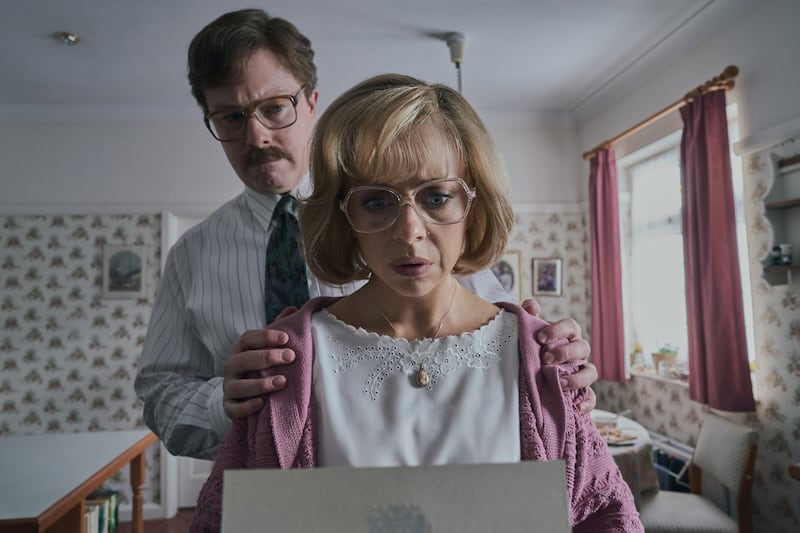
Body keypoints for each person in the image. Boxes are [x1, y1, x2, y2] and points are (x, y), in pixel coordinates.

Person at [134, 8, 597, 461]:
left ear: (311, 101)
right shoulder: (190, 255)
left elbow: (489, 337)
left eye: (275, 108)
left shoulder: (415, 228)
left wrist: (552, 366)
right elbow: (160, 392)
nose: (256, 136)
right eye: (231, 118)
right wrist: (223, 406)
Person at [190, 73, 642, 532]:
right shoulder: (285, 365)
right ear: (344, 215)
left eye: (437, 196)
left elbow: (603, 514)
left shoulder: (541, 359)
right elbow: (226, 521)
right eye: (378, 203)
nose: (410, 231)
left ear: (473, 205)